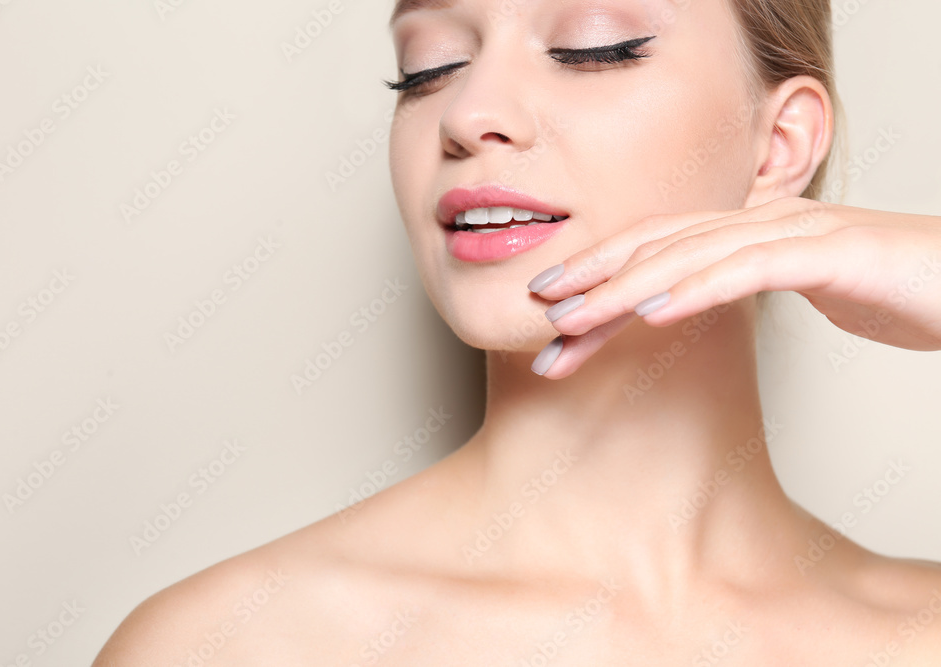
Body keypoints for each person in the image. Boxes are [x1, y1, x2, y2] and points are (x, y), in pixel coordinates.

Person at [94, 0, 941, 663]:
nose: (468, 113)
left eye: (592, 48)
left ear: (777, 147)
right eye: (428, 67)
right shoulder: (232, 643)